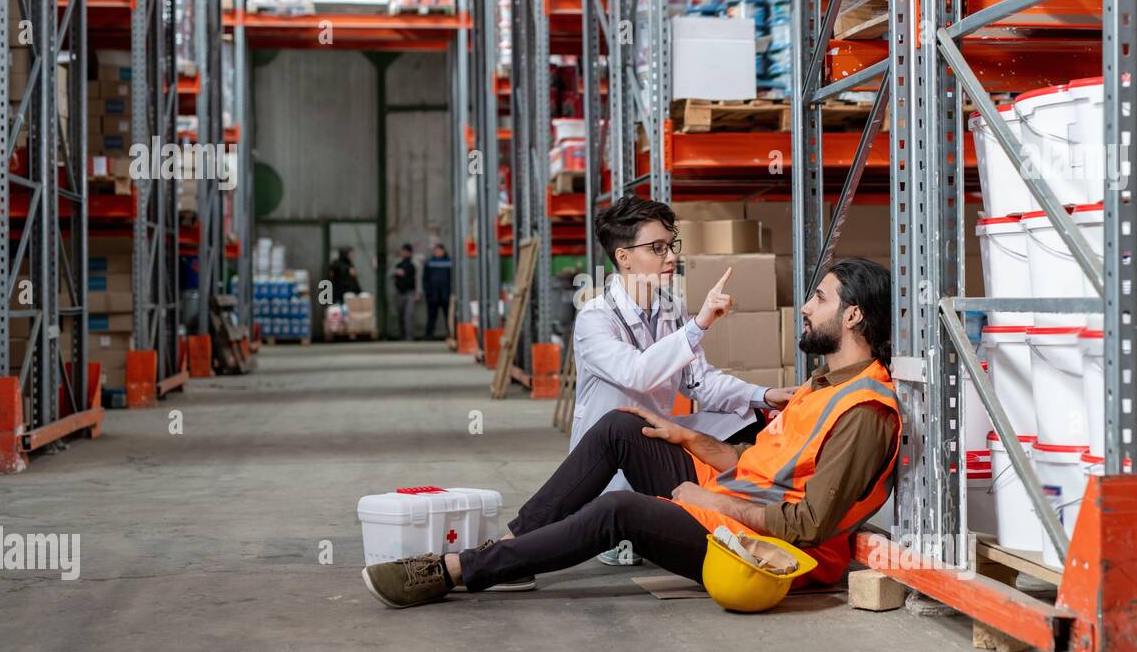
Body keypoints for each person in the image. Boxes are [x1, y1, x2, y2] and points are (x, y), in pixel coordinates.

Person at [359, 257, 902, 609]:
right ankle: (516, 544)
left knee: (618, 511)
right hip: (735, 500)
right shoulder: (823, 384)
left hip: (759, 548)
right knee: (624, 426)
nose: (806, 307)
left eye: (820, 299)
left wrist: (706, 496)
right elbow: (754, 463)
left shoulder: (863, 411)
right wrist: (687, 439)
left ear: (853, 316)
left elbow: (805, 526)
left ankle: (456, 571)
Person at [573, 196, 795, 569]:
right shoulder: (595, 319)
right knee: (624, 488)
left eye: (671, 245)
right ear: (623, 257)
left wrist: (767, 395)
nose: (670, 257)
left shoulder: (669, 308)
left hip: (653, 438)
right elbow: (638, 374)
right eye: (656, 248)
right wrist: (700, 324)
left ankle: (743, 510)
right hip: (610, 456)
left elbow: (700, 383)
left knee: (753, 420)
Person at [422, 244, 453, 340]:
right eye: (436, 250)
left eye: (439, 250)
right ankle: (428, 335)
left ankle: (451, 334)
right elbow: (425, 279)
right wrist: (427, 292)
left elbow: (453, 278)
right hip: (433, 294)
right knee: (431, 316)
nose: (438, 252)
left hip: (446, 294)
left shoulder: (449, 262)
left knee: (449, 316)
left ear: (444, 251)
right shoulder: (429, 262)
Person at [392, 243, 417, 341]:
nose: (404, 253)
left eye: (406, 252)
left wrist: (417, 292)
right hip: (400, 292)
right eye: (403, 251)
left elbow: (417, 279)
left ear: (410, 253)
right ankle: (401, 335)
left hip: (410, 292)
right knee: (400, 315)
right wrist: (396, 272)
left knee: (408, 315)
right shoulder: (398, 264)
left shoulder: (413, 264)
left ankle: (409, 336)